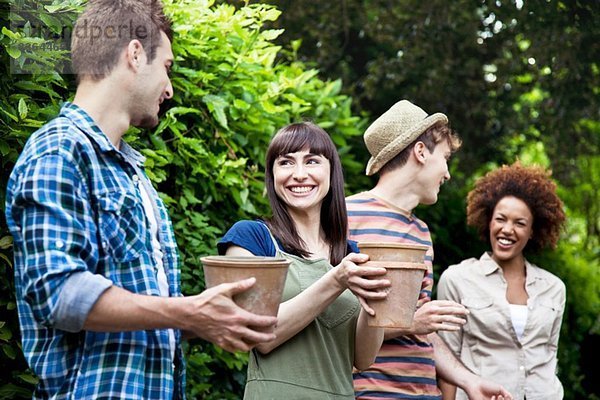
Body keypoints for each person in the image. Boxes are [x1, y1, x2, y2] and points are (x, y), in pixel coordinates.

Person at [4, 1, 277, 398]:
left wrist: (204, 316)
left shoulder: (131, 172)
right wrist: (188, 312)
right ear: (134, 54)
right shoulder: (58, 150)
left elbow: (140, 306)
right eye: (166, 68)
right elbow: (58, 293)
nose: (169, 89)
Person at [347, 100, 513, 400]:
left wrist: (469, 381)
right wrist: (412, 321)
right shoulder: (346, 216)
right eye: (446, 158)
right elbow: (332, 322)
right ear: (421, 152)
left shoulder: (421, 232)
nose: (447, 173)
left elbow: (423, 328)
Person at [218, 121, 392, 399]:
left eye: (312, 161)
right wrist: (336, 280)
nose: (299, 174)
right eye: (286, 163)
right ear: (272, 175)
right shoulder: (251, 238)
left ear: (332, 172)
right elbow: (260, 335)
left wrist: (380, 301)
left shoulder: (352, 254)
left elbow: (364, 358)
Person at [437, 162, 567, 400]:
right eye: (501, 219)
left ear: (533, 231)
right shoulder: (457, 279)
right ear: (488, 221)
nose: (508, 229)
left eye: (520, 223)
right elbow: (448, 357)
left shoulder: (554, 288)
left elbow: (550, 354)